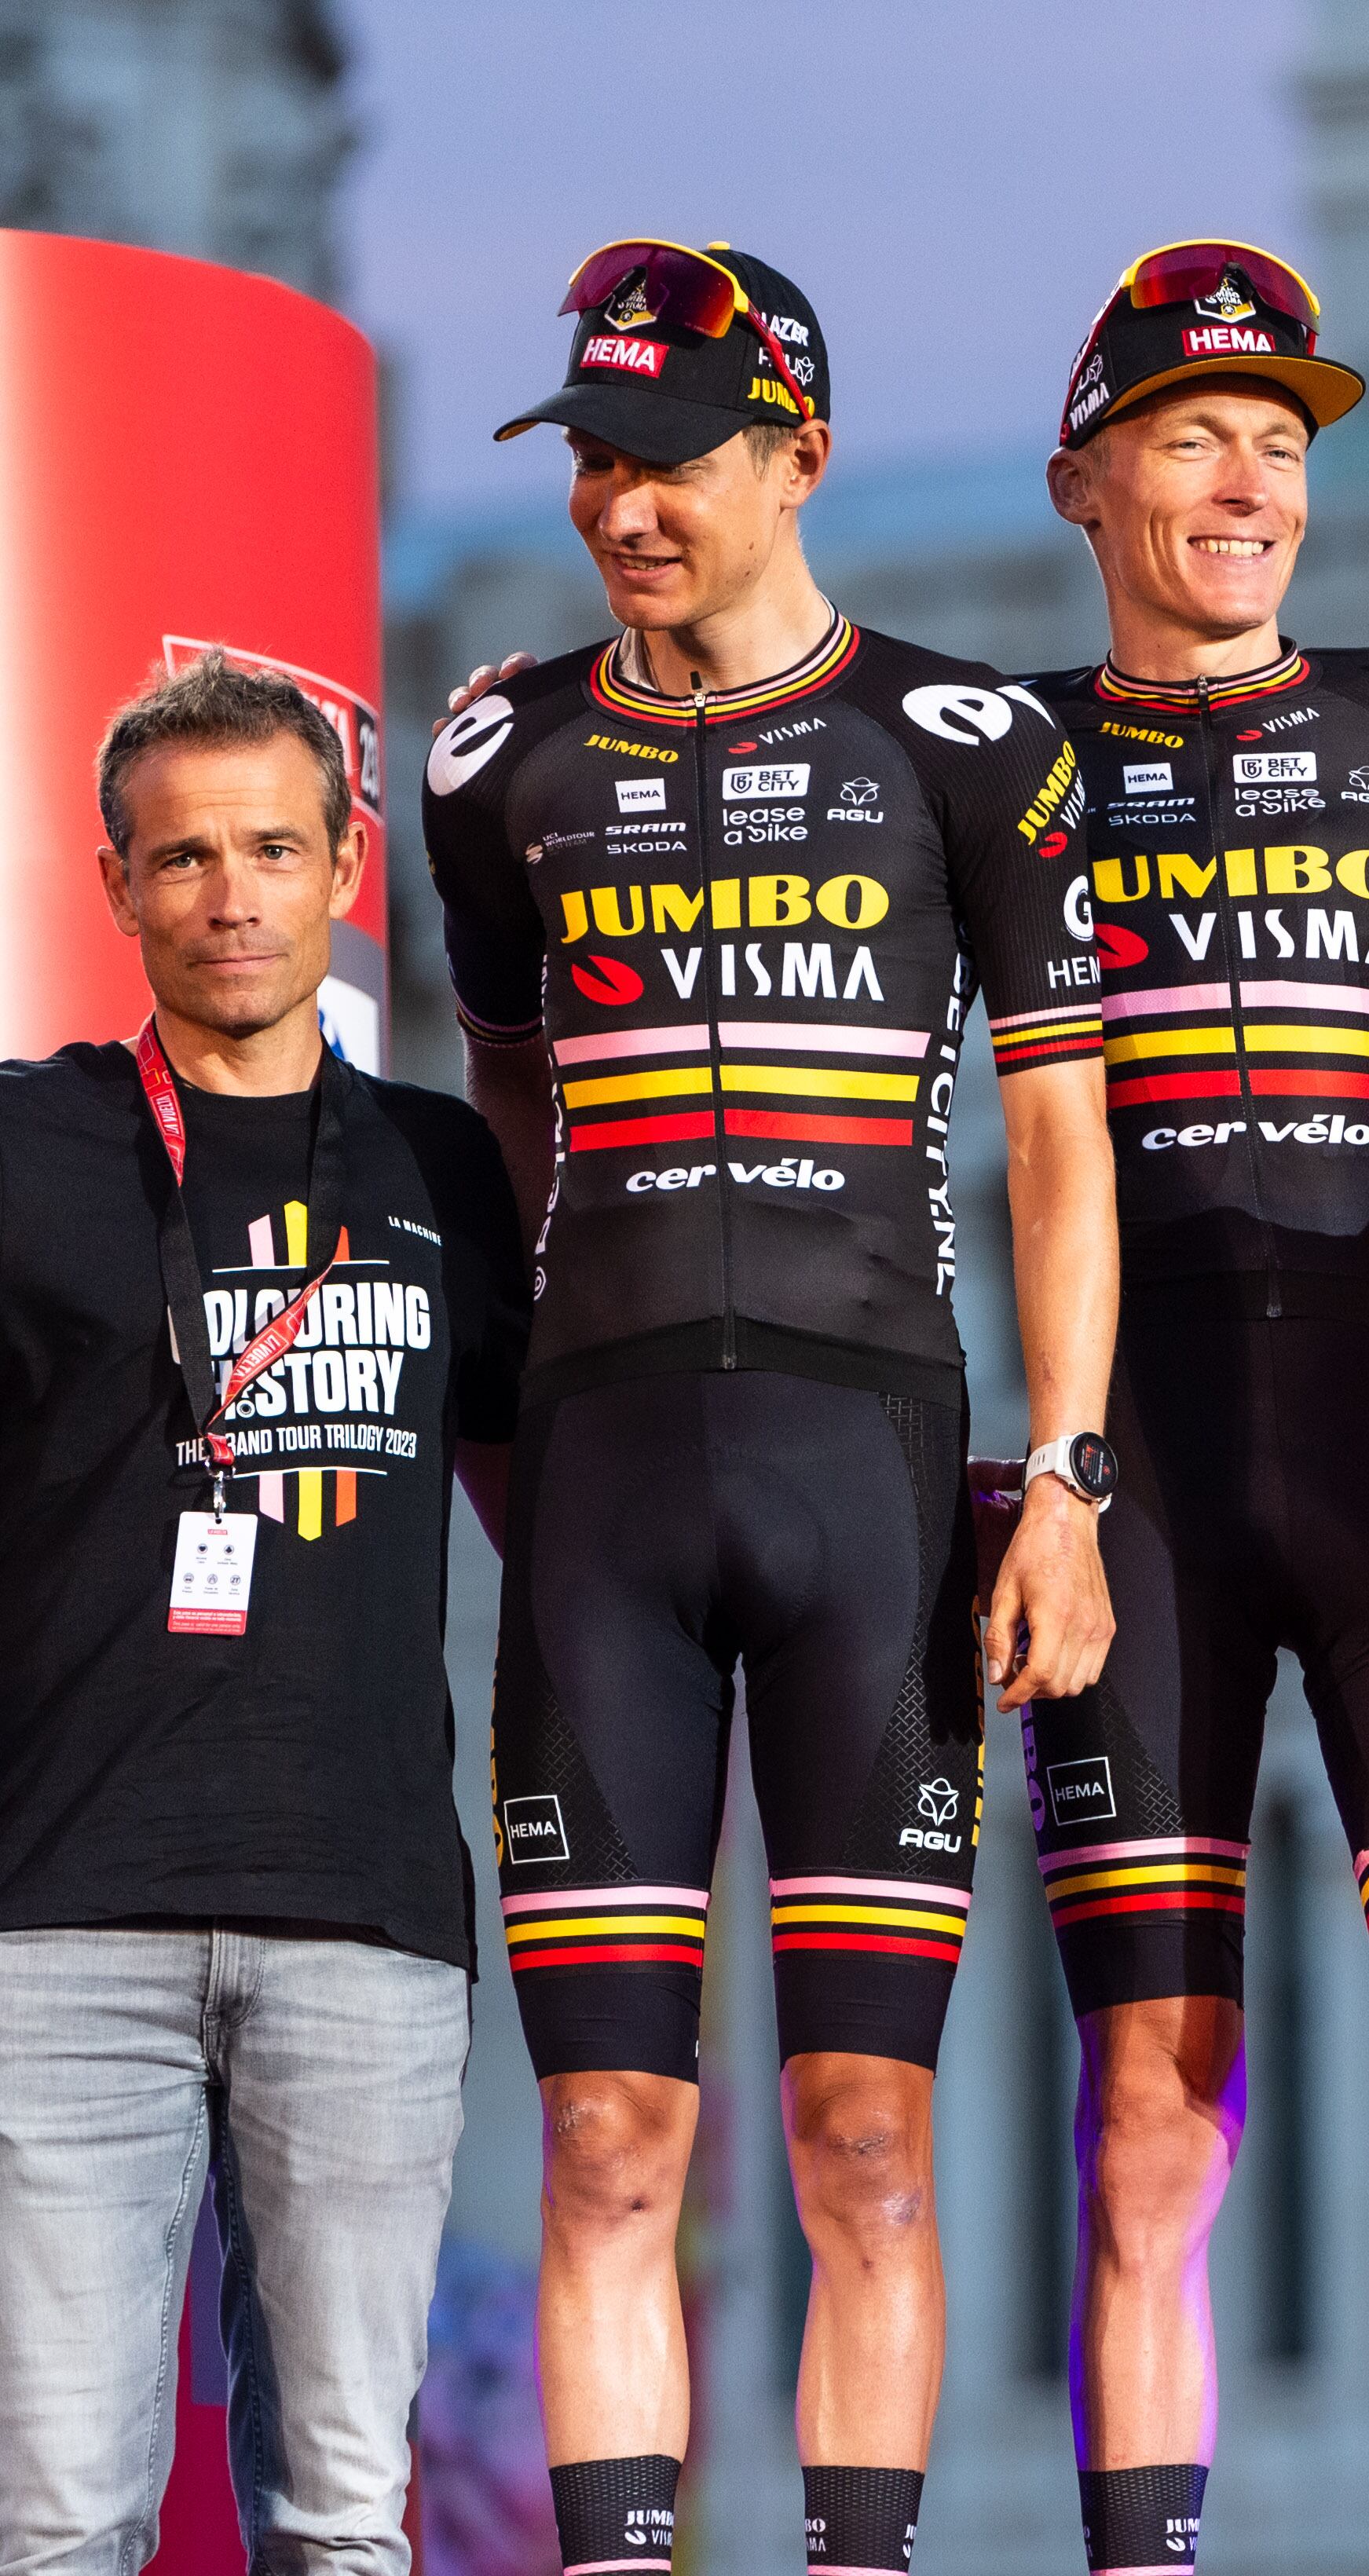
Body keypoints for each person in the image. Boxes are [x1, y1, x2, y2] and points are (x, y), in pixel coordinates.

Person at [418, 239, 1118, 2574]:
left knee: (863, 2137)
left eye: (677, 458)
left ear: (796, 452)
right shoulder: (496, 749)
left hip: (879, 1473)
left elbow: (1056, 1141)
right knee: (611, 2140)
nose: (627, 504)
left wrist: (1075, 1478)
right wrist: (543, 1380)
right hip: (609, 1482)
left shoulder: (974, 742)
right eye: (597, 458)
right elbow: (510, 1095)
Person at [1023, 241, 1369, 2576]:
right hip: (1135, 1476)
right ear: (1087, 480)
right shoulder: (996, 750)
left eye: (1284, 440)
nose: (1249, 480)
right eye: (1193, 435)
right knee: (1153, 2115)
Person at [0, 656, 525, 2576]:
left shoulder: (441, 1165)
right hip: (57, 1921)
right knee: (57, 2513)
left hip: (366, 1920)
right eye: (188, 856)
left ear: (347, 865)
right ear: (119, 885)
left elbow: (543, 1497)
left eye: (275, 850)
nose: (233, 893)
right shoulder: (22, 1144)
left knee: (343, 2519)